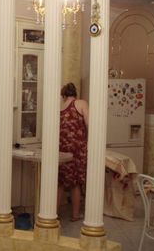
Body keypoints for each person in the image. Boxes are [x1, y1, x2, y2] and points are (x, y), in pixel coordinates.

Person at [57, 82, 89, 221]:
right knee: (75, 183)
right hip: (77, 149)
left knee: (59, 183)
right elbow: (90, 123)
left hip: (61, 149)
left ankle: (54, 214)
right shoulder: (81, 103)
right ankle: (75, 215)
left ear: (64, 95)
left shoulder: (60, 108)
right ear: (75, 93)